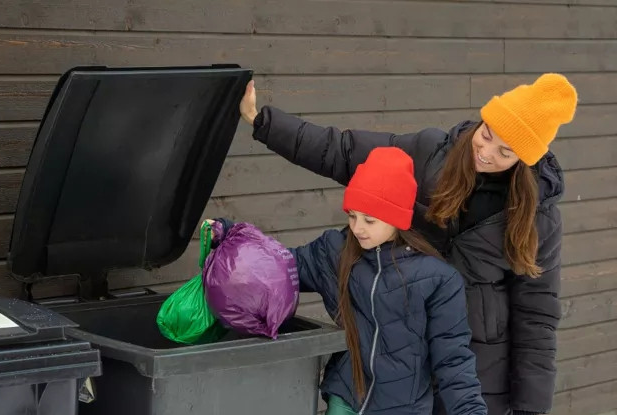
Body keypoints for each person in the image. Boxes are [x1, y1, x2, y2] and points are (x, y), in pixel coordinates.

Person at [238, 73, 576, 415]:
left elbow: (537, 315)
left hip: (473, 373)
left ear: (525, 158)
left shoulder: (537, 218)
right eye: (486, 135)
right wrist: (262, 122)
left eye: (505, 152)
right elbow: (343, 152)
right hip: (398, 354)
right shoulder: (431, 154)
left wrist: (530, 409)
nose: (486, 153)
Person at [208, 147, 486, 415]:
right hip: (346, 399)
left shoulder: (437, 279)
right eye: (352, 216)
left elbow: (453, 359)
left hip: (403, 407)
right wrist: (230, 234)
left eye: (370, 220)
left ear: (397, 219)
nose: (357, 228)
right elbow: (278, 265)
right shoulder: (334, 251)